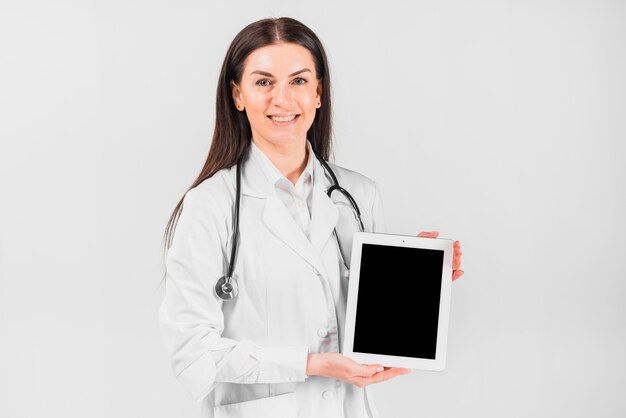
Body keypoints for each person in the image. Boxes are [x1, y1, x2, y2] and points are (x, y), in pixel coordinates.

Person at [158, 17, 464, 418]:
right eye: (264, 82)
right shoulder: (209, 205)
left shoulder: (359, 195)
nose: (283, 99)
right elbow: (191, 355)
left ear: (319, 93)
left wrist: (414, 282)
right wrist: (310, 363)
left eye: (299, 82)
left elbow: (370, 331)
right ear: (238, 95)